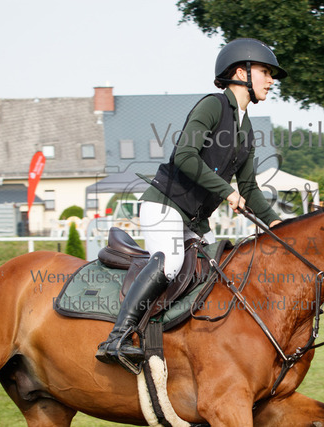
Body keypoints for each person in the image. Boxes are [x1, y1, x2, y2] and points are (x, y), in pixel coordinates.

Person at [96, 38, 286, 367]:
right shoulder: (213, 106)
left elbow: (249, 187)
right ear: (241, 73)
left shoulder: (246, 130)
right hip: (165, 206)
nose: (271, 81)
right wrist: (226, 192)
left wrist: (277, 223)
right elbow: (185, 155)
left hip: (195, 221)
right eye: (265, 72)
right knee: (170, 263)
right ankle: (118, 337)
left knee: (220, 273)